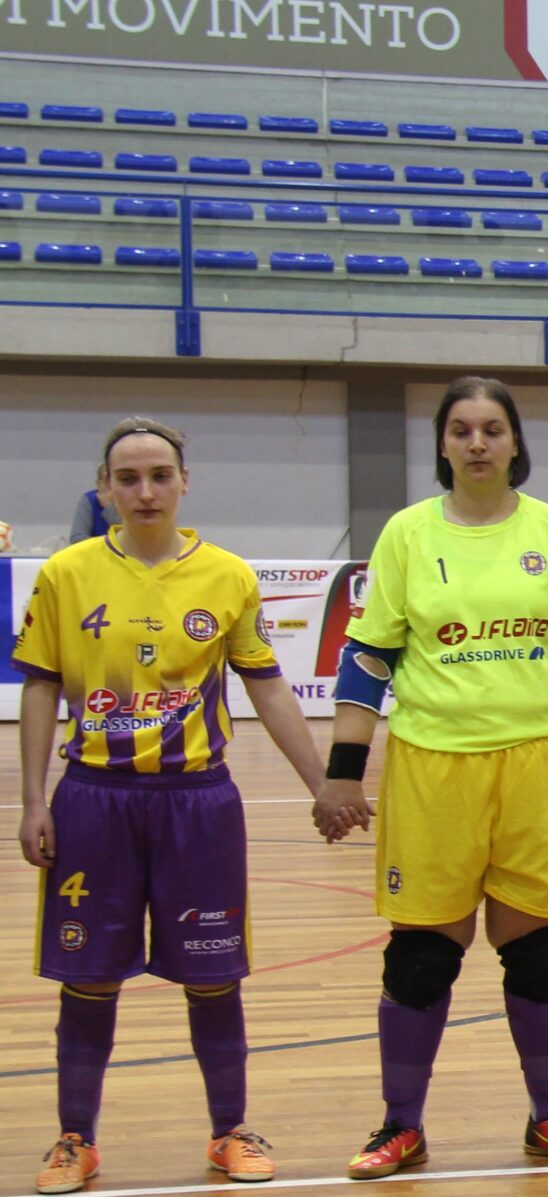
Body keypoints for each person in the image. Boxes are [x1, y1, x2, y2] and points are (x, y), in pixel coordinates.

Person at [314, 378, 548, 1177]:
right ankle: (400, 1125)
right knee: (422, 953)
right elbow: (367, 658)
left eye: (493, 428)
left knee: (541, 954)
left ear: (515, 440)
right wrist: (341, 774)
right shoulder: (405, 534)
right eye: (460, 429)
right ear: (442, 445)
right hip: (434, 765)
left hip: (537, 762)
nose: (477, 443)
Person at [16, 418, 325, 1194]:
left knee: (214, 977)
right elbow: (42, 686)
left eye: (160, 475)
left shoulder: (226, 575)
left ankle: (230, 1130)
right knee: (87, 976)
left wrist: (322, 783)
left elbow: (267, 685)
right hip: (94, 799)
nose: (145, 490)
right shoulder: (66, 572)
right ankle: (73, 1138)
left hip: (198, 803)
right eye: (129, 478)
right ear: (105, 488)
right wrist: (29, 802)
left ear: (185, 483)